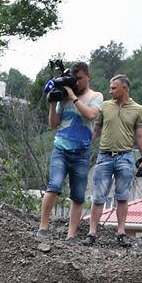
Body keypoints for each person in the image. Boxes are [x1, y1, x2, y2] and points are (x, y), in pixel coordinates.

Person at [38, 63, 104, 240]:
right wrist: (53, 103)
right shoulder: (63, 98)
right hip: (61, 149)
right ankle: (43, 226)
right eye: (74, 79)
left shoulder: (96, 96)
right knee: (54, 186)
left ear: (88, 77)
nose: (77, 82)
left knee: (78, 194)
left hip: (81, 152)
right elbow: (53, 124)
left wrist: (74, 97)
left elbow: (91, 115)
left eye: (79, 78)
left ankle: (71, 234)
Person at [88, 75, 142, 248]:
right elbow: (96, 129)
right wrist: (85, 146)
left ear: (124, 88)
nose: (110, 91)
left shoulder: (137, 109)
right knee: (98, 196)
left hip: (125, 156)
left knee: (122, 196)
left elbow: (140, 135)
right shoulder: (105, 106)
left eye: (114, 88)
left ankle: (121, 232)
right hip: (105, 155)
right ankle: (92, 233)